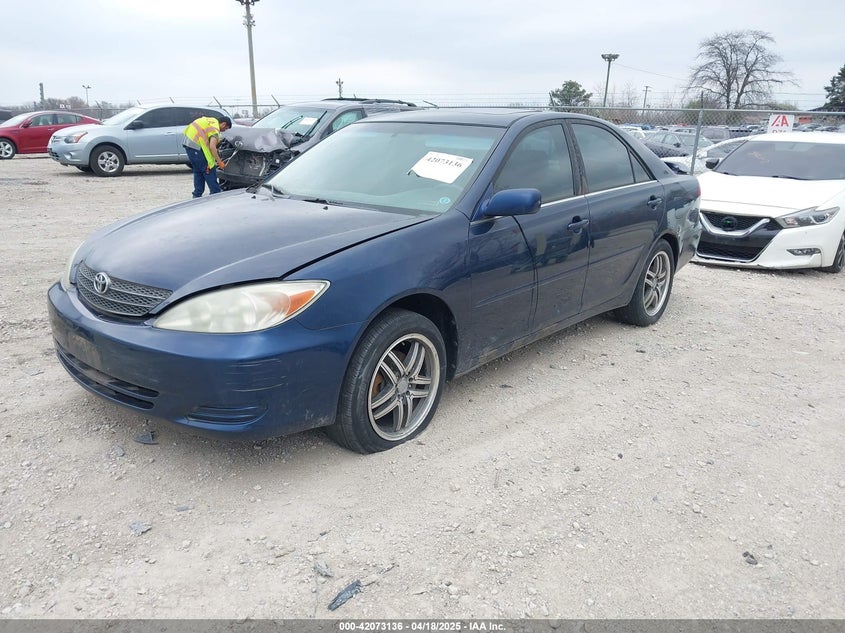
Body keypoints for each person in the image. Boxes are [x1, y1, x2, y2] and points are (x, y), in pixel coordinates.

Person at [182, 115, 232, 197]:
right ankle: (215, 193)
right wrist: (219, 162)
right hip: (195, 146)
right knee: (208, 169)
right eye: (226, 128)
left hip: (189, 144)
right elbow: (212, 147)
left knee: (198, 171)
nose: (224, 131)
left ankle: (197, 195)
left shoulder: (211, 121)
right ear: (223, 124)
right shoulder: (215, 129)